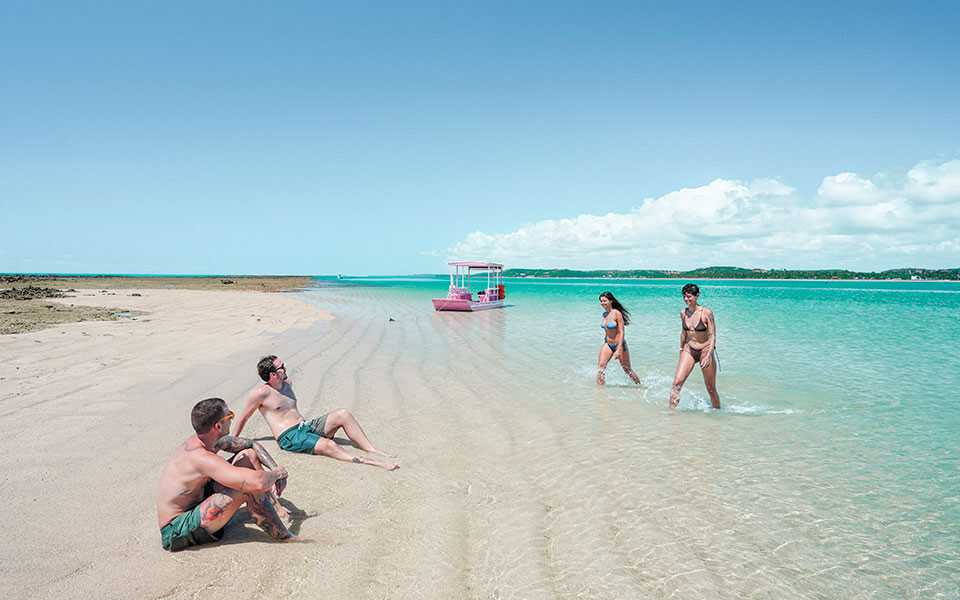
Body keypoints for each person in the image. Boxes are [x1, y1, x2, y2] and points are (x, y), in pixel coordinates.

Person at [156, 397, 292, 551]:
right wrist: (278, 473)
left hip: (198, 501)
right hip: (176, 529)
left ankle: (273, 508)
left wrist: (273, 468)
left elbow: (252, 445)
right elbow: (258, 482)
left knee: (248, 455)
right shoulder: (201, 457)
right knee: (247, 487)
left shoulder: (208, 440)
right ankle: (286, 537)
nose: (232, 420)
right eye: (230, 416)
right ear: (218, 426)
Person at [233, 355, 399, 471]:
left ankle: (371, 450)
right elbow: (244, 417)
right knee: (330, 445)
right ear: (273, 374)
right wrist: (233, 441)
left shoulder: (287, 383)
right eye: (281, 366)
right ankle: (371, 463)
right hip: (289, 437)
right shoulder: (261, 393)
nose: (285, 367)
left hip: (306, 426)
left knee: (343, 414)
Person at [669, 283, 720, 409]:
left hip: (705, 349)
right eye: (684, 297)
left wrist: (709, 355)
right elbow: (683, 332)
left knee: (711, 388)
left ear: (697, 296)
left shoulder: (706, 313)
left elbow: (713, 335)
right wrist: (681, 349)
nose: (686, 299)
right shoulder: (683, 313)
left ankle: (718, 414)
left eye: (689, 296)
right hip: (689, 349)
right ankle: (671, 416)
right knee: (676, 385)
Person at [596, 291, 642, 386]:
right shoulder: (604, 315)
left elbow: (621, 332)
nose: (602, 303)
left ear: (611, 301)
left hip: (619, 345)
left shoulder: (617, 313)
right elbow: (607, 331)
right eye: (601, 301)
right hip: (608, 344)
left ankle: (639, 386)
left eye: (604, 301)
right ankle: (600, 392)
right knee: (601, 368)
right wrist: (606, 341)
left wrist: (618, 349)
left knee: (627, 369)